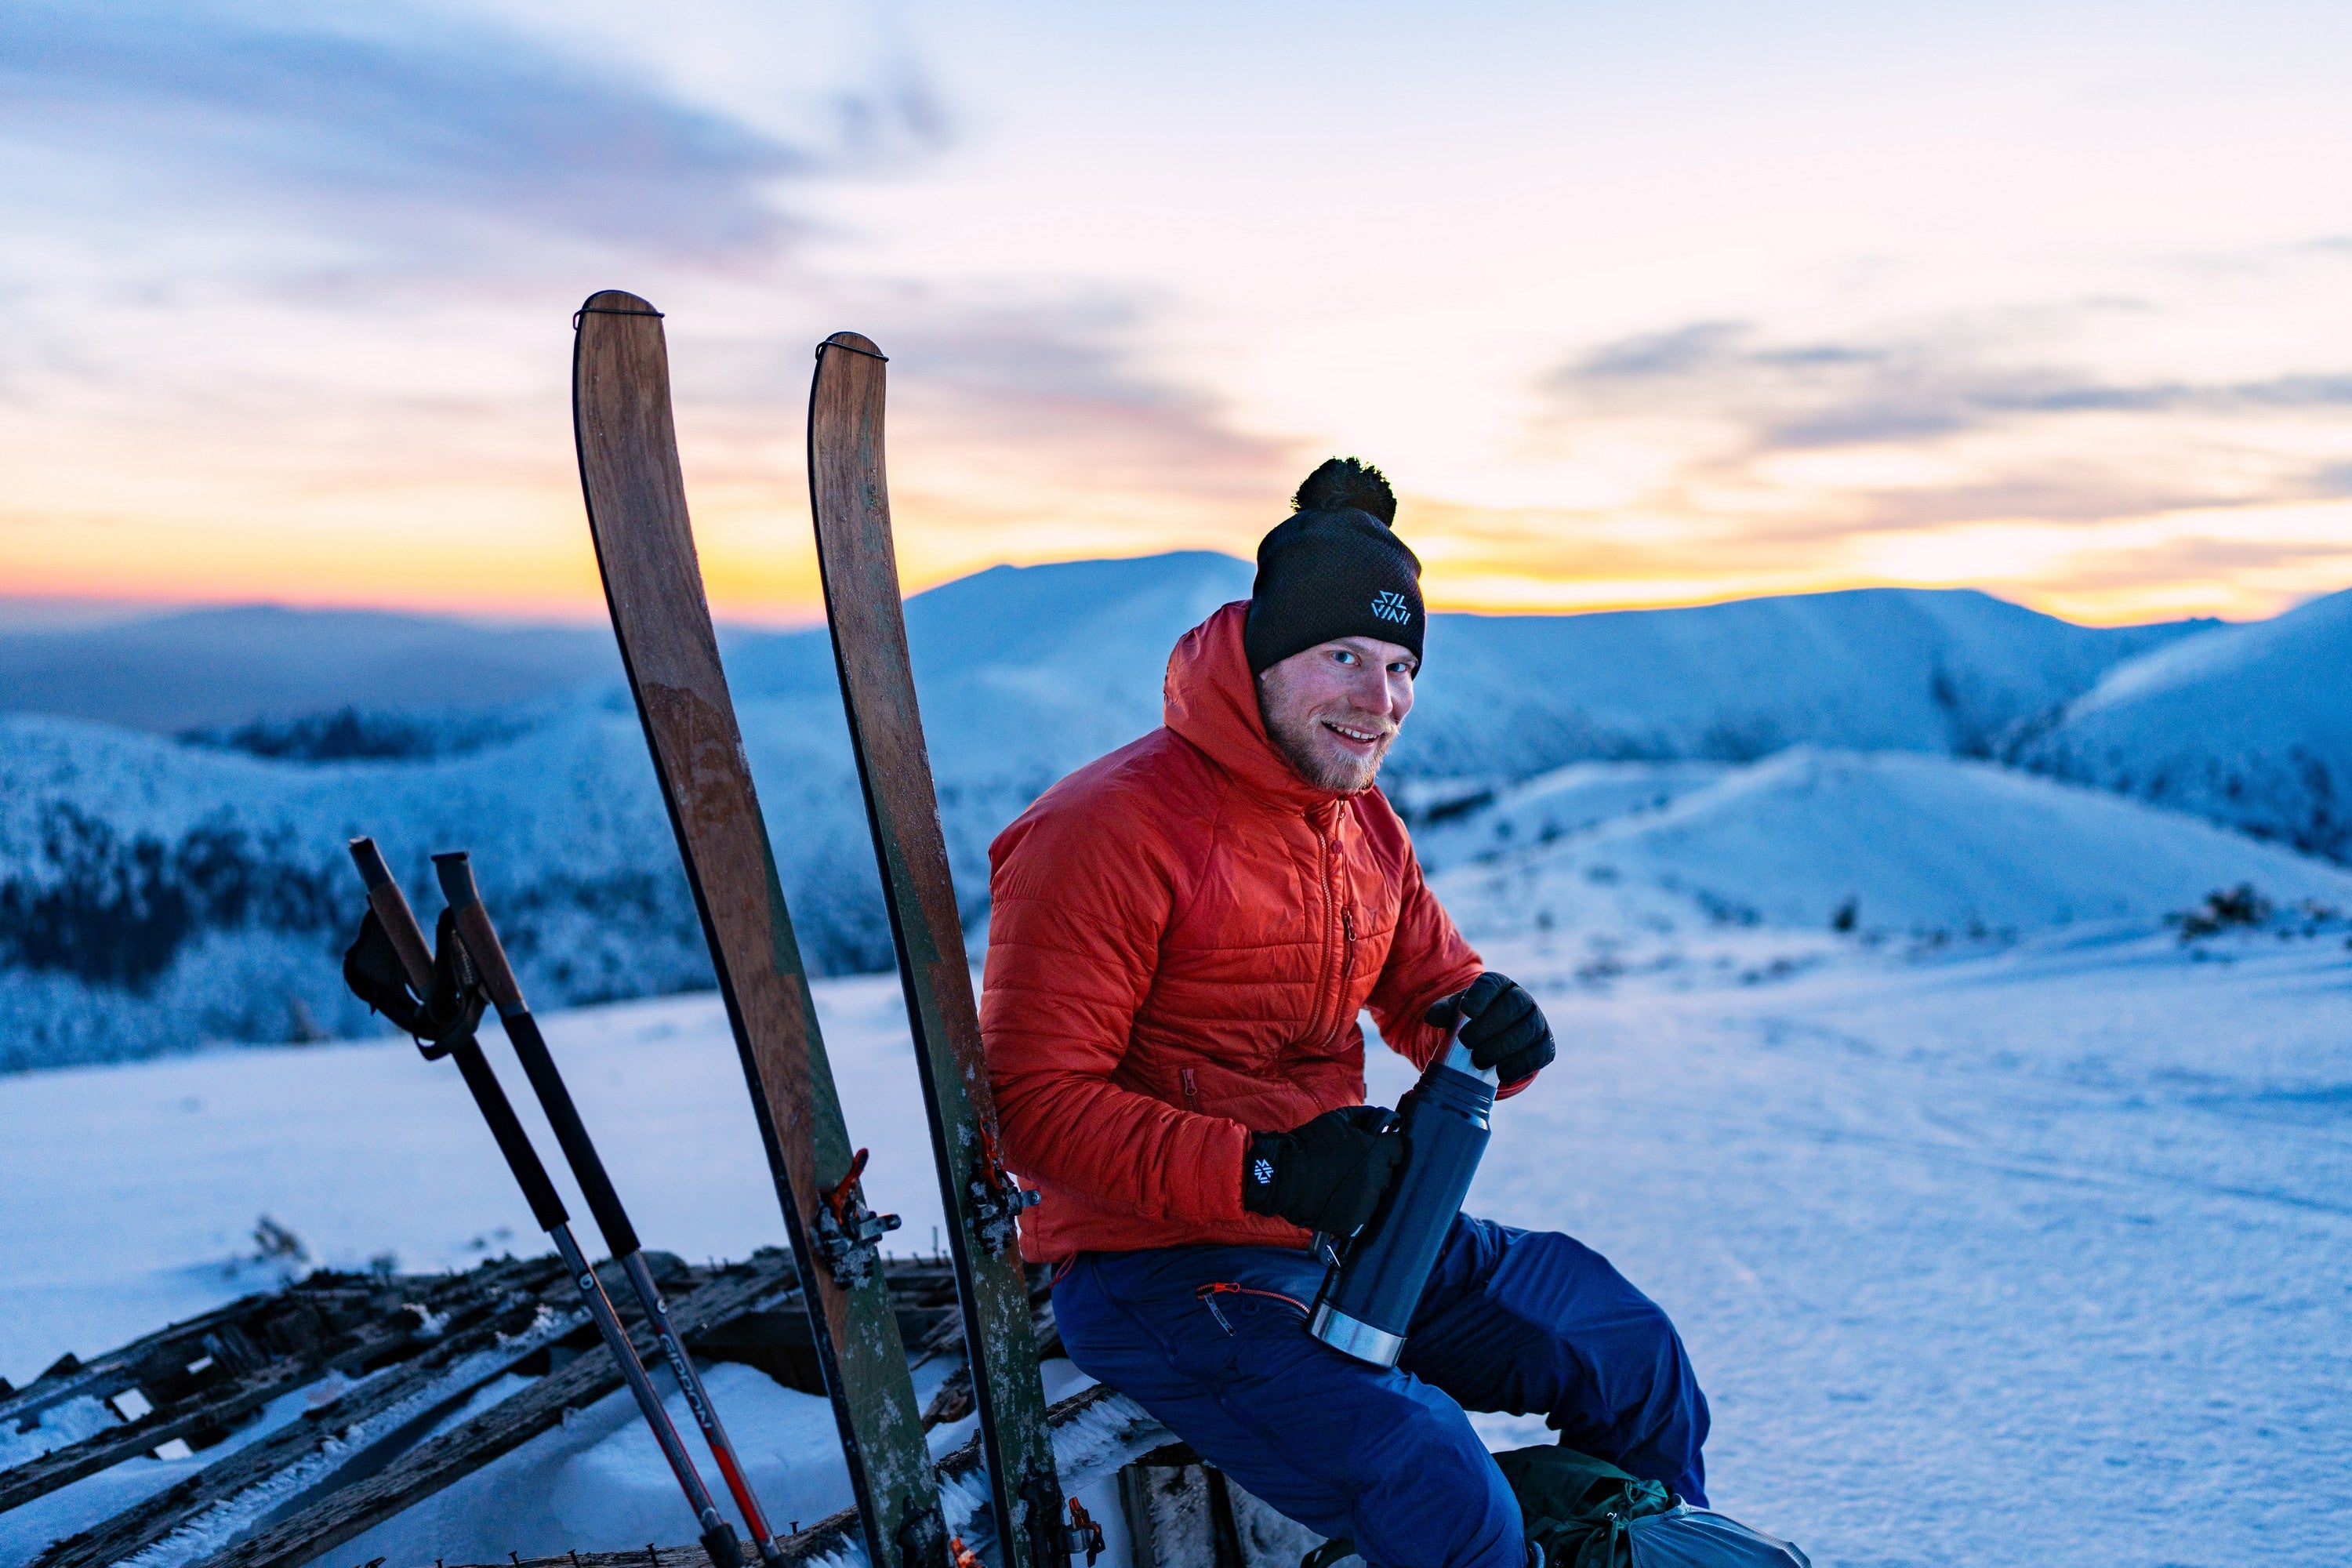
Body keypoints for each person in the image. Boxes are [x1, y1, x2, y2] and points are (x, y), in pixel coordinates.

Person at [980, 459, 1708, 1568]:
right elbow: (1032, 1108)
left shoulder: (1356, 823)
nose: (1382, 700)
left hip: (1347, 1227)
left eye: (1401, 666)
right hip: (1158, 1267)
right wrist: (1266, 1171)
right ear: (1265, 656)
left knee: (1623, 1348)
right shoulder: (1107, 828)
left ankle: (1640, 1551)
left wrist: (1491, 1025)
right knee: (1432, 1473)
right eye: (1345, 658)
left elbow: (1430, 988)